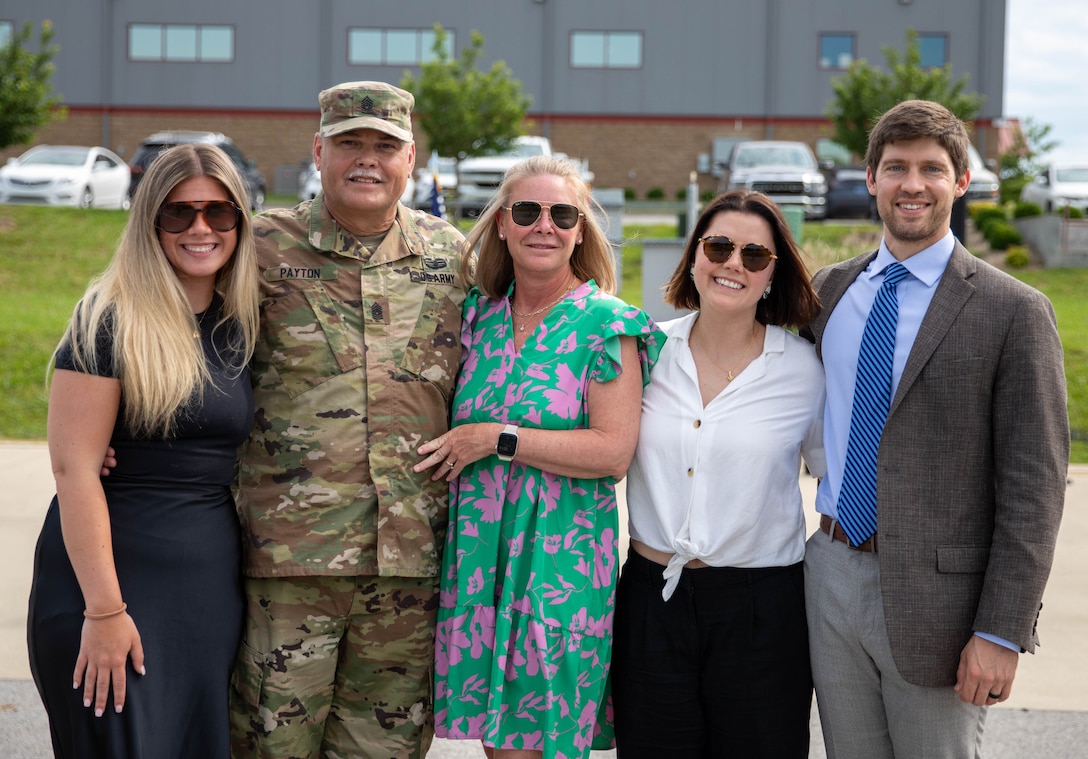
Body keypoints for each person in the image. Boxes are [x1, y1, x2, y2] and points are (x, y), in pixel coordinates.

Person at [804, 99, 1068, 758]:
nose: (912, 184)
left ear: (961, 181)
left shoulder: (1015, 312)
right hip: (830, 572)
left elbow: (1034, 490)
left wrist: (1002, 630)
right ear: (871, 179)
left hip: (942, 603)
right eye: (895, 167)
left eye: (931, 168)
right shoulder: (828, 293)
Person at [226, 81, 468, 758]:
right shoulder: (263, 246)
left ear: (411, 157)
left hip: (411, 566)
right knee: (271, 746)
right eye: (349, 143)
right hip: (288, 565)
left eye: (384, 146)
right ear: (318, 150)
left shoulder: (451, 257)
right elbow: (187, 347)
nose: (368, 159)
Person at [413, 154, 664, 758]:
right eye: (526, 211)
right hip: (479, 556)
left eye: (561, 213)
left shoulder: (606, 324)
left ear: (580, 229)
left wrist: (496, 438)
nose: (542, 225)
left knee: (539, 743)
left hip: (561, 565)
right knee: (499, 746)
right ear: (501, 222)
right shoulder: (477, 318)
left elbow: (612, 452)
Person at [27, 143, 260, 758]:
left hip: (207, 587)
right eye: (178, 214)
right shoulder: (108, 318)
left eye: (219, 212)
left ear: (241, 219)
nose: (201, 228)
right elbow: (74, 467)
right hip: (110, 581)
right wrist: (104, 611)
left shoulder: (243, 322)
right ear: (149, 222)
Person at [610, 190, 824, 757]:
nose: (734, 263)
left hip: (762, 609)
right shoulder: (645, 350)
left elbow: (836, 479)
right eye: (719, 246)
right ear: (695, 256)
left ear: (773, 274)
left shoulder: (805, 369)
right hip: (651, 597)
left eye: (755, 255)